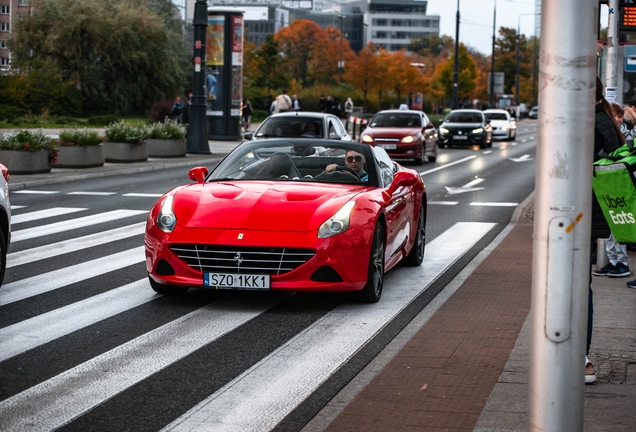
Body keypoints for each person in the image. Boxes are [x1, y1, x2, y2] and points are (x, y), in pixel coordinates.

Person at [588, 77, 626, 384]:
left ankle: (581, 357)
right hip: (584, 213)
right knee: (578, 286)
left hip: (583, 213)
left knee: (577, 287)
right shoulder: (600, 120)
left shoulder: (598, 123)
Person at [593, 103, 632, 279]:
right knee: (611, 229)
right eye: (617, 116)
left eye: (620, 117)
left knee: (619, 226)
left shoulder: (623, 133)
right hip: (611, 185)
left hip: (617, 185)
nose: (619, 119)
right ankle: (613, 261)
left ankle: (621, 263)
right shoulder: (611, 129)